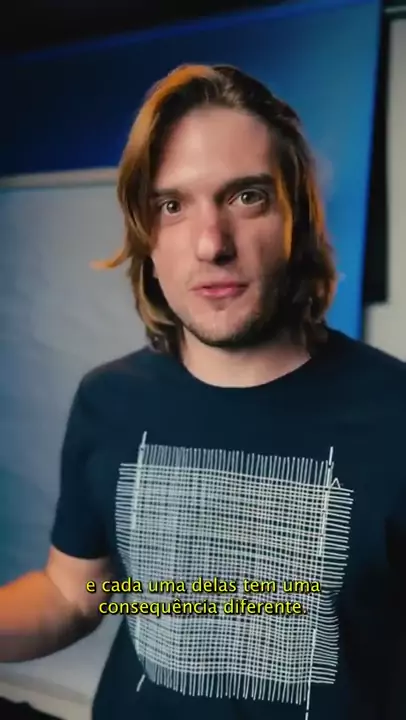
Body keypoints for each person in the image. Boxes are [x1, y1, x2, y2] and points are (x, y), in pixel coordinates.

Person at [0, 63, 405, 720]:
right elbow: (72, 596)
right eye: (172, 205)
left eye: (247, 196)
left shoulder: (397, 413)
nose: (211, 243)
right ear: (147, 236)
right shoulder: (108, 400)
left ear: (296, 217)